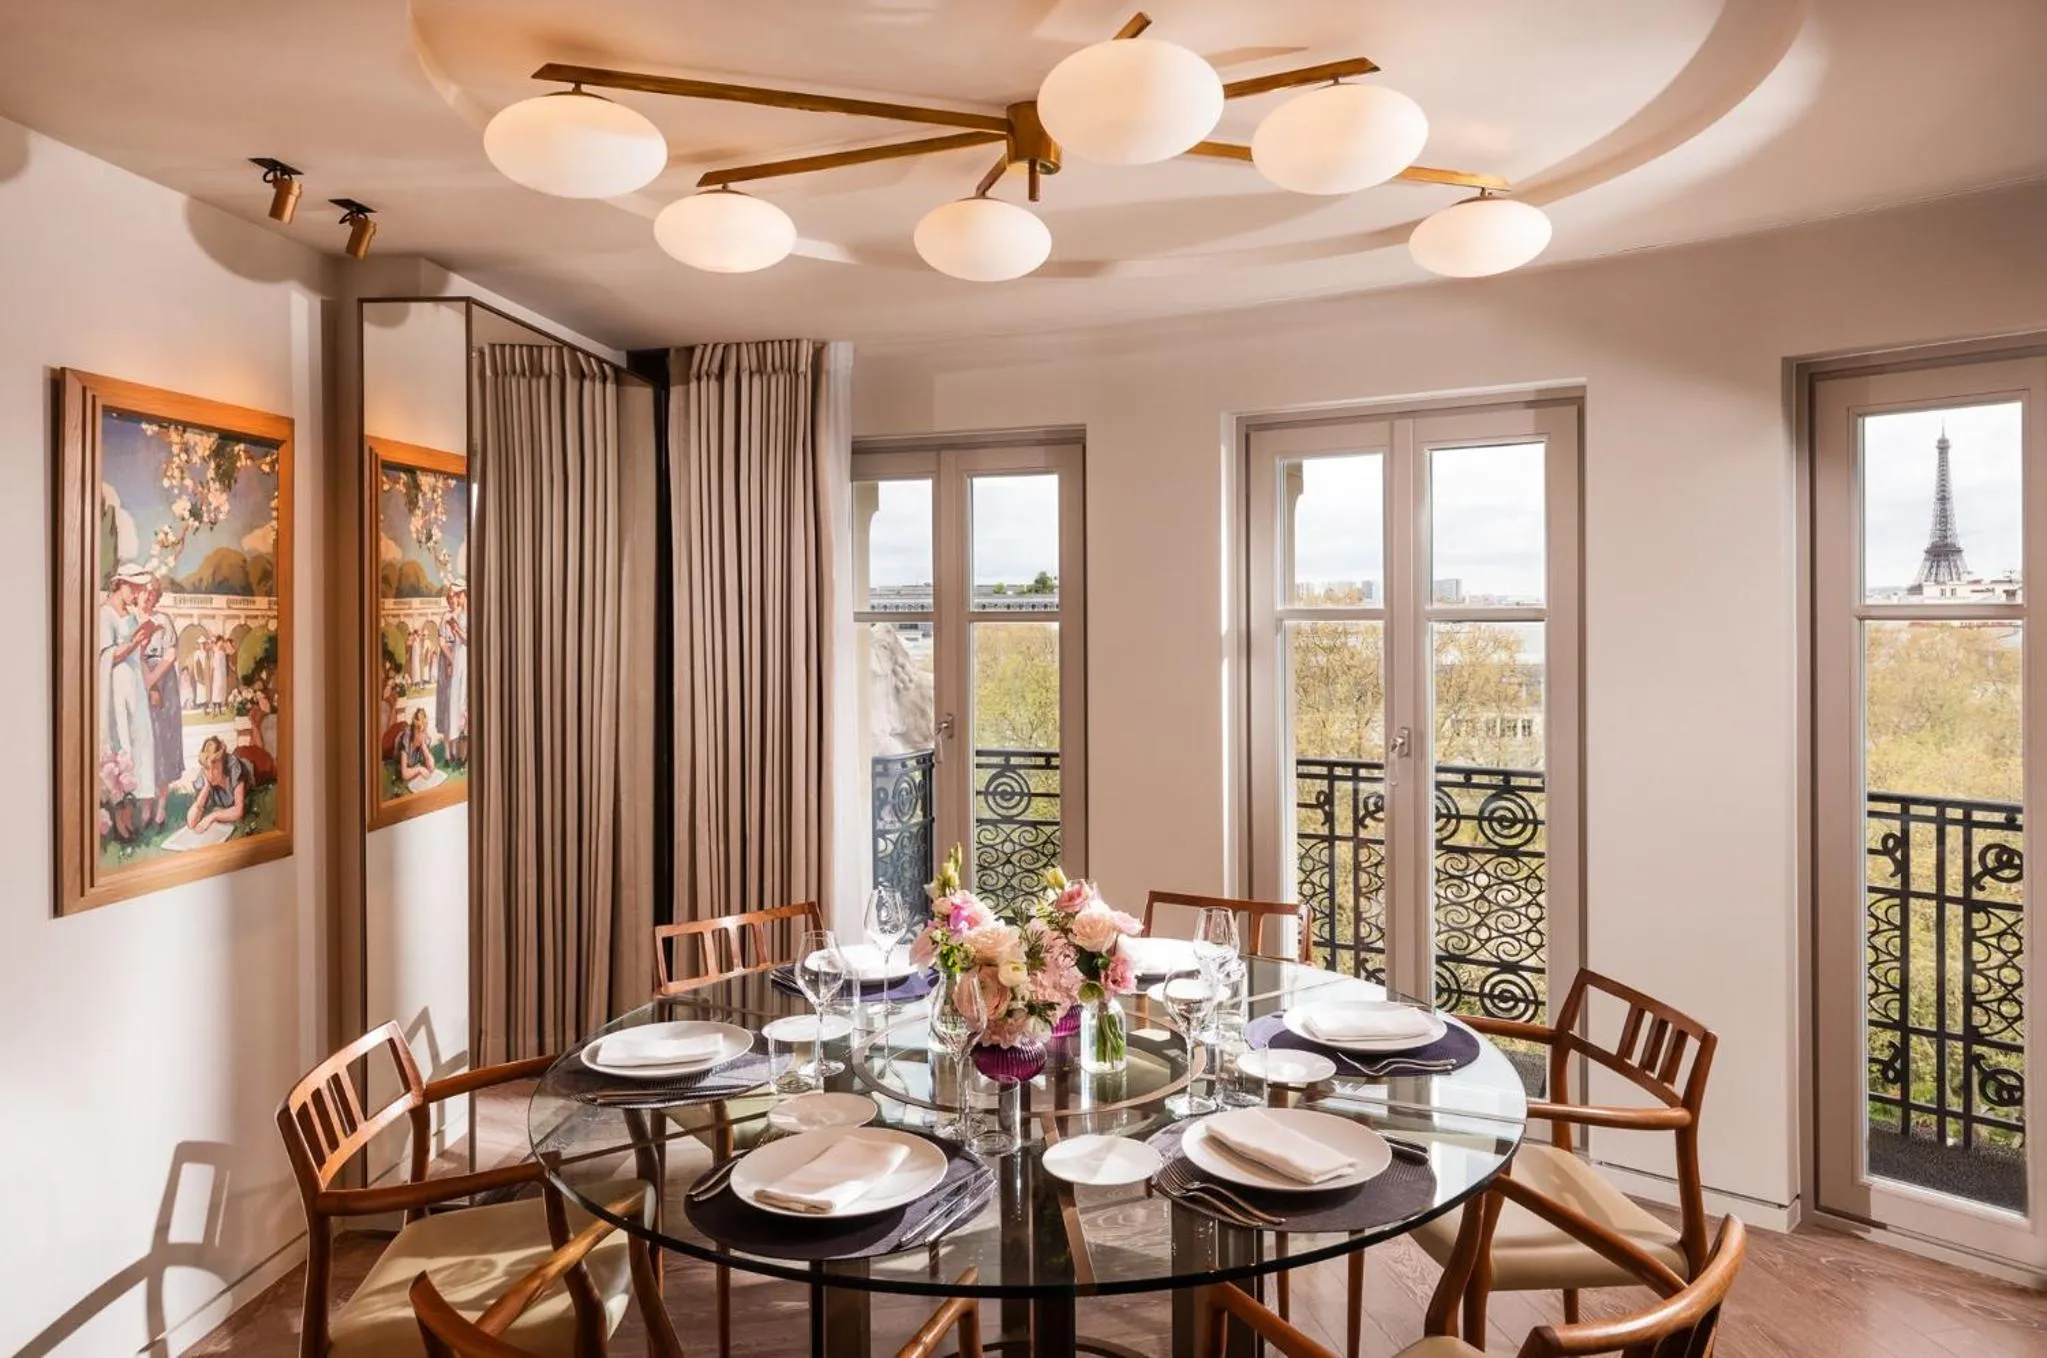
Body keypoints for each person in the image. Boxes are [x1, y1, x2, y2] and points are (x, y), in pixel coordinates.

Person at [98, 563, 159, 822]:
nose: (137, 594)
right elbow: (108, 655)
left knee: (141, 737)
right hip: (117, 686)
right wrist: (134, 641)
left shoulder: (132, 615)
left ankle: (144, 802)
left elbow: (137, 654)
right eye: (134, 588)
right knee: (122, 740)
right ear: (121, 585)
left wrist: (144, 640)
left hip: (135, 683)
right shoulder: (105, 614)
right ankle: (121, 807)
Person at [139, 576, 183, 825]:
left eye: (153, 592)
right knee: (145, 743)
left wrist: (154, 682)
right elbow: (136, 655)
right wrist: (149, 685)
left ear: (157, 596)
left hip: (164, 681)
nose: (148, 596)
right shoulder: (132, 619)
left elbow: (171, 654)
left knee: (163, 742)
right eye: (144, 591)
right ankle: (145, 805)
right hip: (141, 679)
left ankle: (162, 806)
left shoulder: (163, 620)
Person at [186, 735, 251, 833]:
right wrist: (206, 788)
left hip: (254, 768)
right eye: (207, 769)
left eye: (215, 768)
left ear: (223, 763)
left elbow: (238, 811)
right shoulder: (204, 775)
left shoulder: (234, 768)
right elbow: (191, 823)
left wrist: (213, 816)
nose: (211, 774)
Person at [436, 581, 469, 764]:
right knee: (446, 706)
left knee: (458, 706)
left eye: (454, 597)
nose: (452, 600)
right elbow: (442, 643)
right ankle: (448, 753)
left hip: (458, 661)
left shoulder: (461, 615)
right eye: (449, 597)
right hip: (448, 661)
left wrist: (456, 662)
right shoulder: (445, 617)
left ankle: (458, 751)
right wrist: (450, 661)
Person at [394, 706, 438, 789]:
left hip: (412, 761)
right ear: (414, 730)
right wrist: (419, 769)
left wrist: (424, 747)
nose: (422, 735)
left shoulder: (424, 737)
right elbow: (404, 773)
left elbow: (431, 767)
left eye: (423, 731)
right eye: (419, 731)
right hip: (396, 748)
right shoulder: (406, 738)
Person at [208, 634, 230, 716]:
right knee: (216, 691)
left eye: (223, 642)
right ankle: (213, 711)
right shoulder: (216, 651)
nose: (222, 643)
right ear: (218, 642)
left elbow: (224, 664)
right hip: (217, 673)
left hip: (222, 673)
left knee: (221, 690)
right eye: (221, 641)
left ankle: (220, 710)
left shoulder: (222, 651)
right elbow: (214, 664)